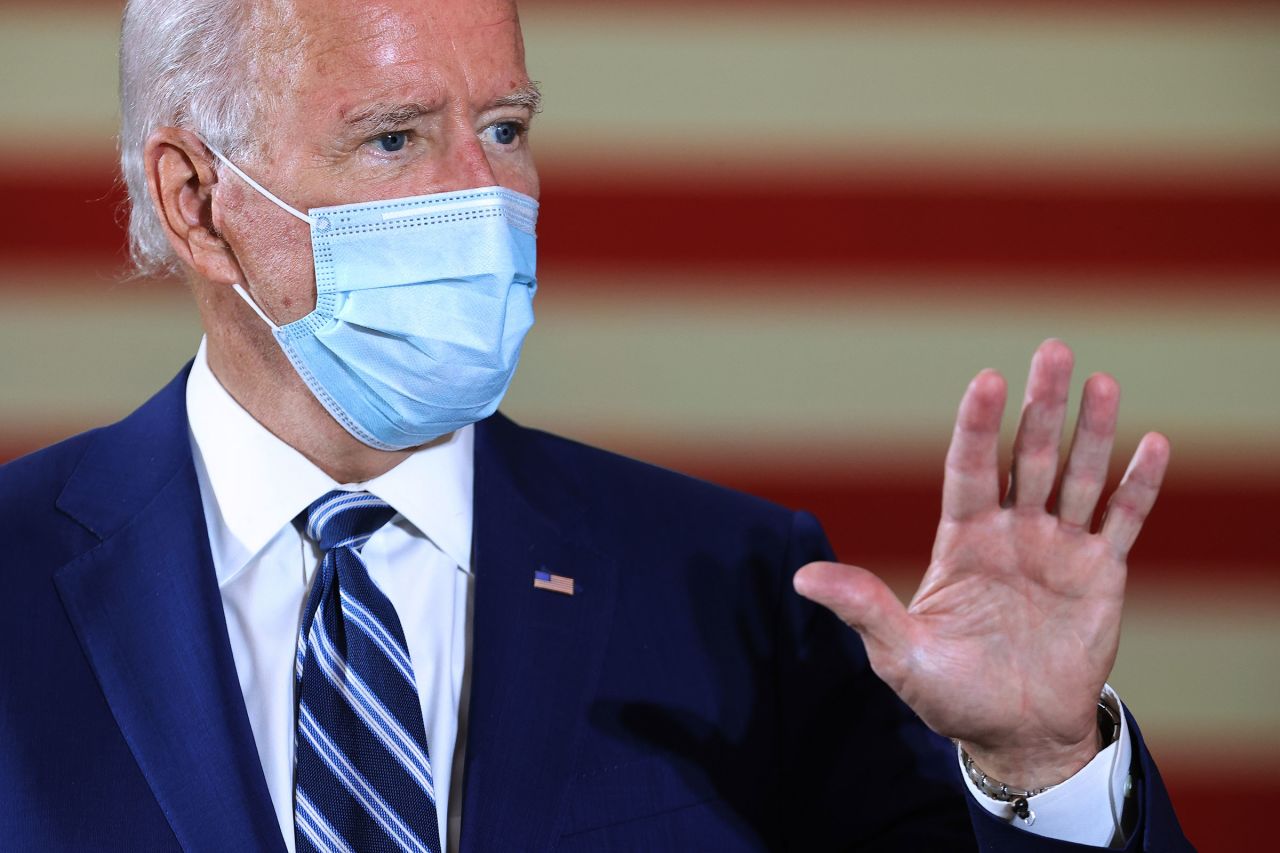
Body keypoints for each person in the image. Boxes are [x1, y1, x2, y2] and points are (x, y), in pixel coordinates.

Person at [0, 0, 1192, 850]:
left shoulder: (736, 587)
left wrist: (1039, 768)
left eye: (507, 128)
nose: (487, 196)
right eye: (396, 137)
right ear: (196, 202)